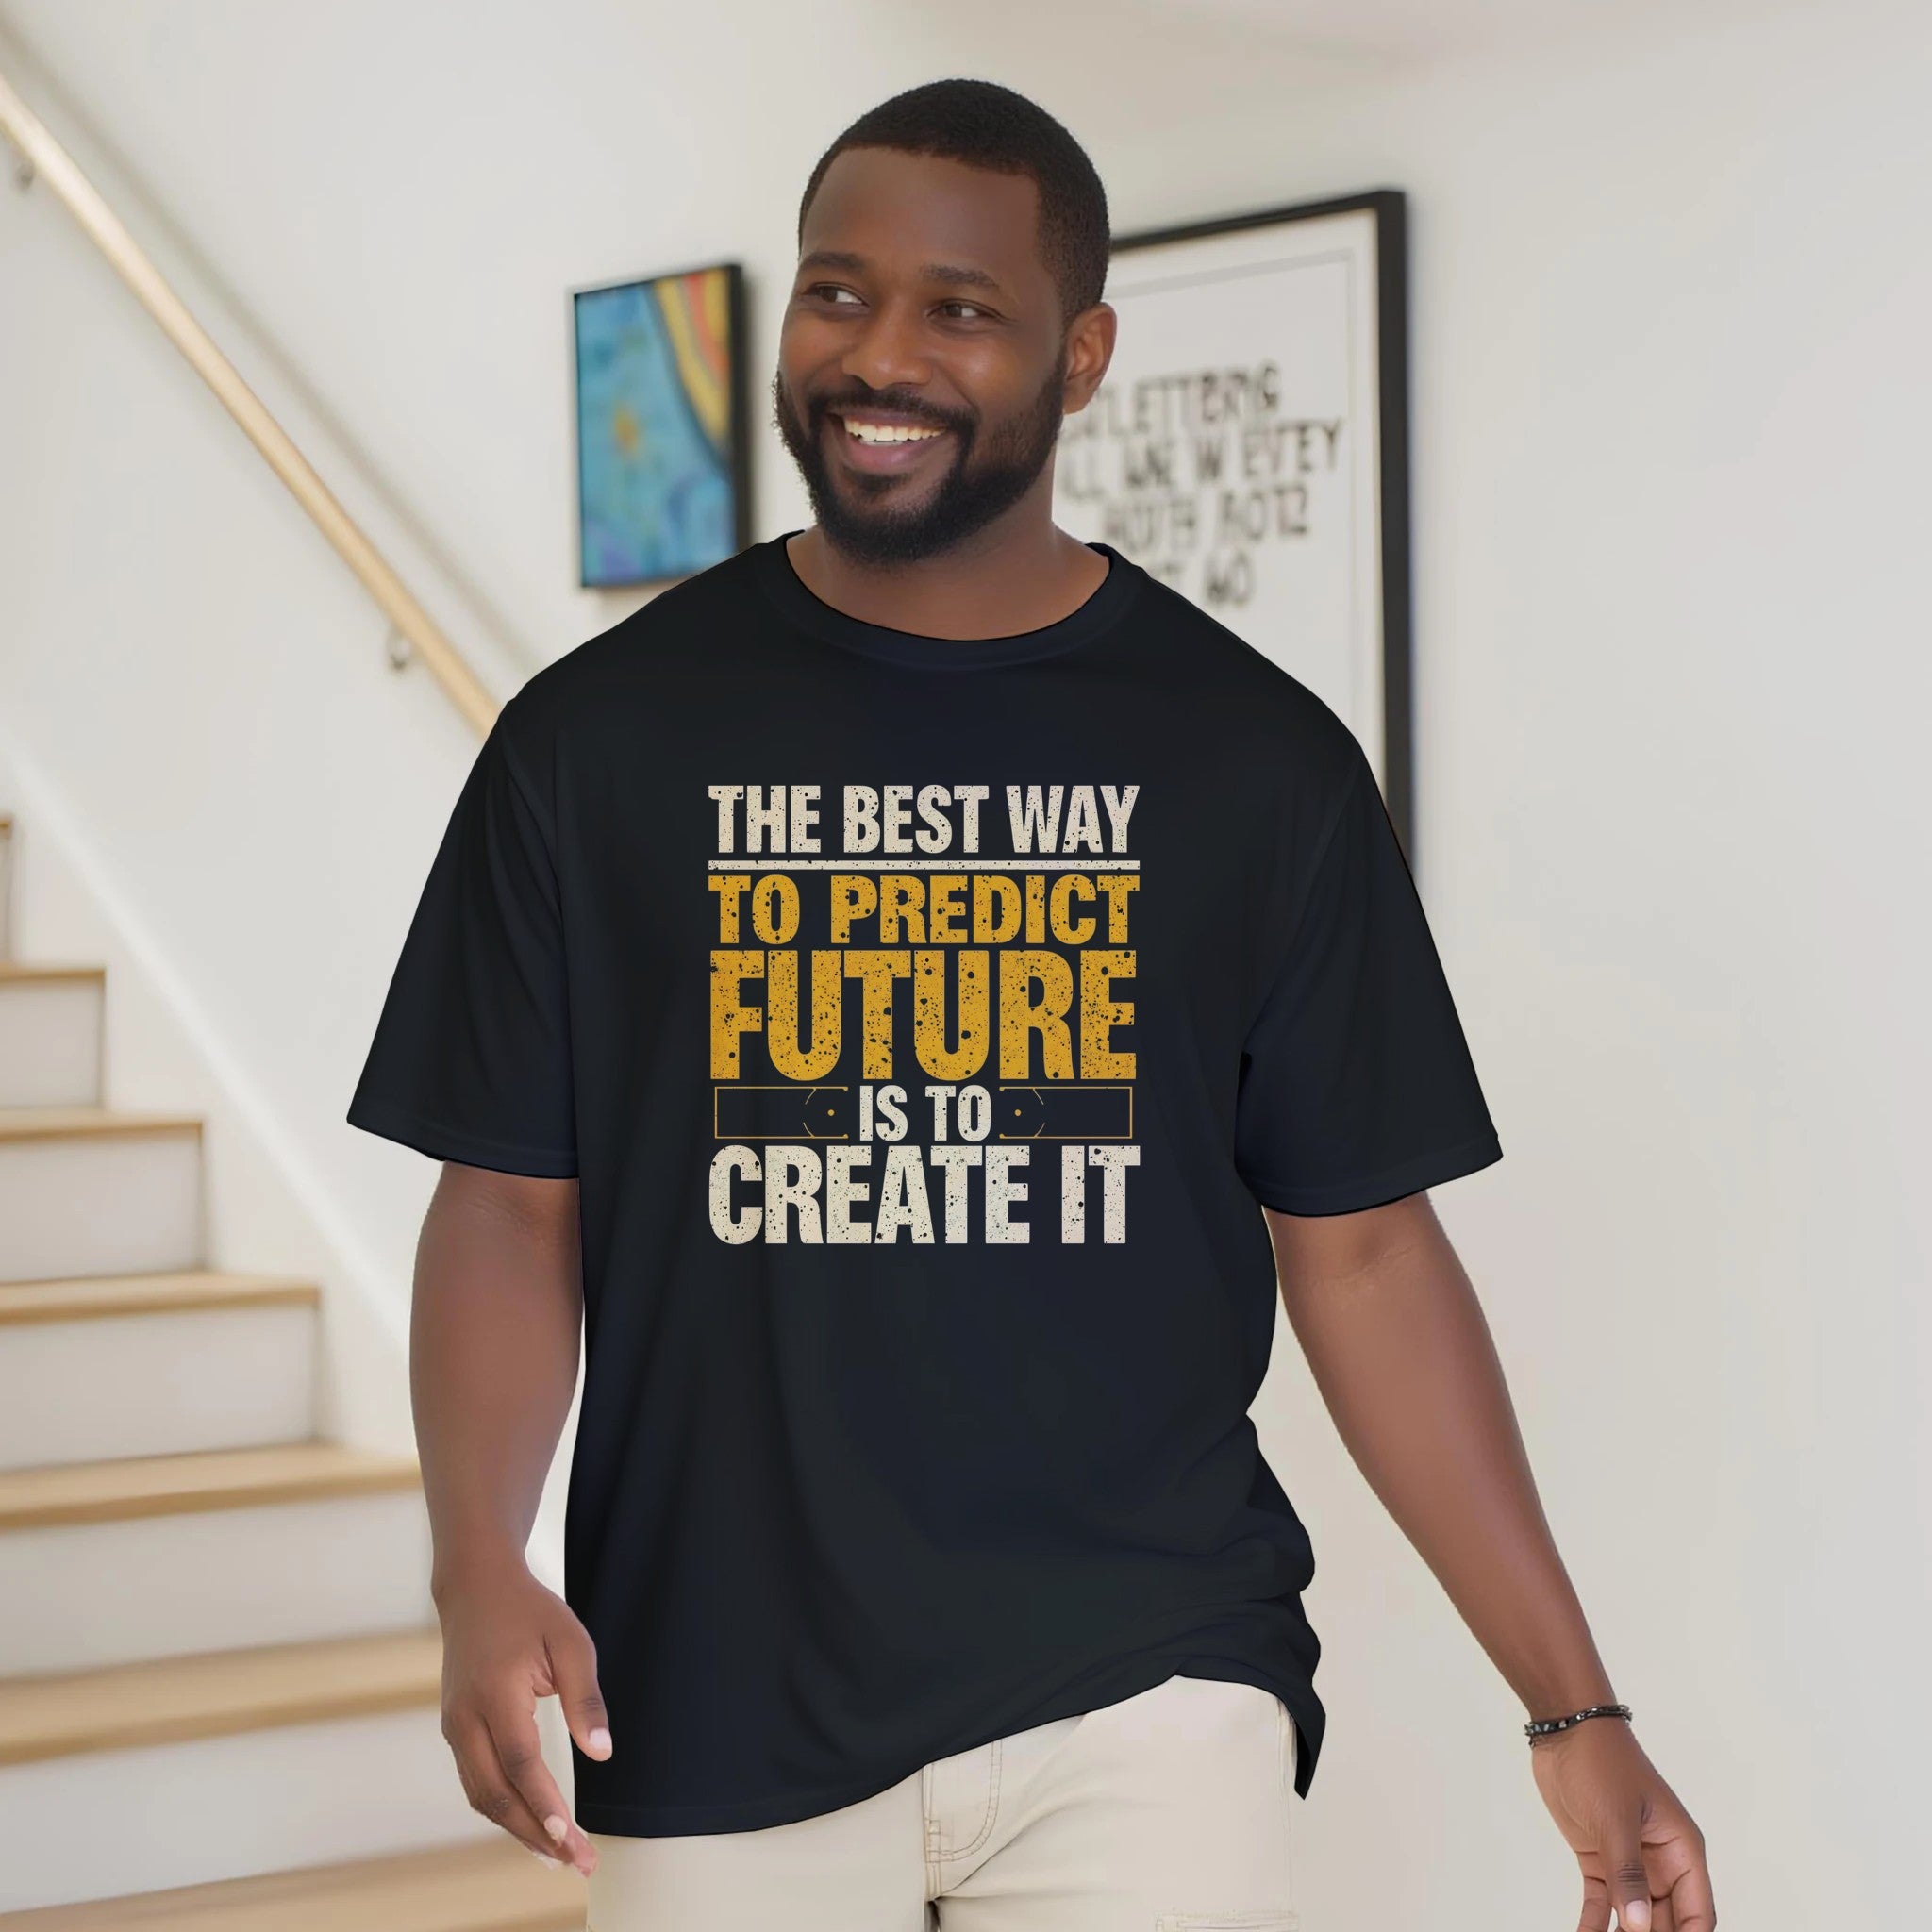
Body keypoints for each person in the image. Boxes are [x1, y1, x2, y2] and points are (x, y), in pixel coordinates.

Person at [346, 76, 1714, 1932]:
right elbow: (512, 1208)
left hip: (1148, 1682)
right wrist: (474, 1561)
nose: (879, 355)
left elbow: (1371, 1257)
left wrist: (1575, 1707)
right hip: (715, 1691)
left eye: (959, 309)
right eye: (838, 292)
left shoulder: (1256, 765)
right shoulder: (595, 744)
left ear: (1081, 357)